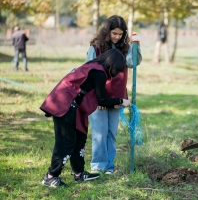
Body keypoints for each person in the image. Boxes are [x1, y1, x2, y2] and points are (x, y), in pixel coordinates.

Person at [40, 49, 131, 187]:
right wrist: (121, 101)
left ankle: (79, 173)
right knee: (66, 142)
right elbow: (102, 100)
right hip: (66, 105)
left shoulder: (94, 67)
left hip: (73, 106)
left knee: (79, 139)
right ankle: (50, 176)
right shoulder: (99, 72)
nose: (116, 73)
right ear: (112, 64)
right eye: (117, 69)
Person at [86, 15, 142, 174]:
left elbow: (132, 63)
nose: (117, 37)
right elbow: (89, 71)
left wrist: (136, 47)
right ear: (107, 31)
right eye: (114, 33)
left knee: (111, 133)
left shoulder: (125, 48)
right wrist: (96, 98)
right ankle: (98, 166)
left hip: (118, 96)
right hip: (99, 96)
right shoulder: (96, 47)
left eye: (120, 34)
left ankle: (109, 166)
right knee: (99, 134)